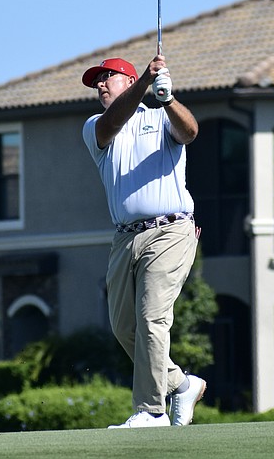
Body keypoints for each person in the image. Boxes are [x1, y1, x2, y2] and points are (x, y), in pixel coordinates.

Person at [81, 55, 206, 428]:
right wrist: (145, 84)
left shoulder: (159, 117)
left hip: (169, 231)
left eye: (108, 77)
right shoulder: (95, 126)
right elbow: (112, 123)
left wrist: (167, 99)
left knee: (152, 319)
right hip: (125, 239)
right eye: (97, 80)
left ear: (128, 78)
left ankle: (151, 410)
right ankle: (182, 385)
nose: (100, 84)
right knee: (124, 328)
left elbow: (190, 132)